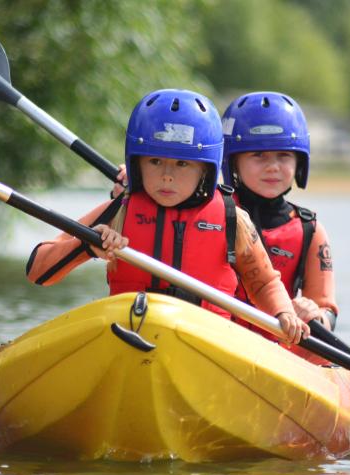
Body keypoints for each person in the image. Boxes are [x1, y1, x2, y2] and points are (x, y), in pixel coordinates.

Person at [26, 89, 309, 345]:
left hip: (208, 343)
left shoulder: (232, 218)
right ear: (136, 162)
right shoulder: (120, 210)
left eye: (183, 163)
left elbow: (264, 283)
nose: (167, 175)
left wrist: (284, 313)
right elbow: (38, 270)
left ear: (206, 170)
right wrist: (87, 246)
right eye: (155, 161)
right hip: (129, 333)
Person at [220, 91, 337, 363]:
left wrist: (316, 314)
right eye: (258, 155)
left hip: (279, 352)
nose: (273, 166)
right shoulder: (215, 211)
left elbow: (327, 308)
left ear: (298, 163)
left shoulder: (310, 229)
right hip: (220, 339)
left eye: (284, 155)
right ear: (233, 161)